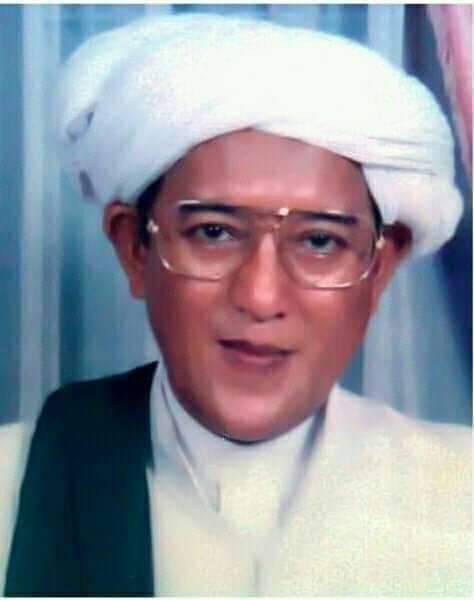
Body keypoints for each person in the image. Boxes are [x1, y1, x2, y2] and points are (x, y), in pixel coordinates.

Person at [3, 13, 471, 596]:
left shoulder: (462, 496)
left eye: (319, 241)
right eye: (214, 232)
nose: (260, 296)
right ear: (134, 249)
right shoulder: (13, 483)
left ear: (379, 270)